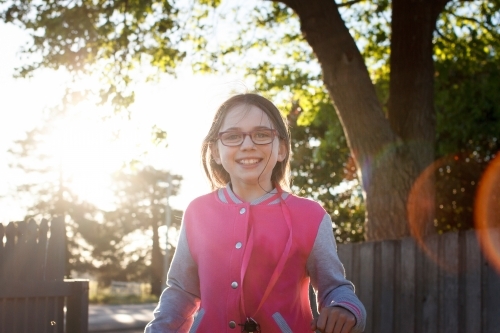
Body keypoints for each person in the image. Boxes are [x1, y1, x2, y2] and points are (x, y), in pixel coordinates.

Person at [145, 93, 366, 333]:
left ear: (282, 149)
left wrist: (345, 307)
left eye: (261, 134)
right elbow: (181, 291)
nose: (248, 144)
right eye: (232, 136)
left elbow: (334, 288)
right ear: (216, 152)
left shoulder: (311, 215)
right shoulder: (197, 212)